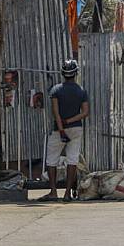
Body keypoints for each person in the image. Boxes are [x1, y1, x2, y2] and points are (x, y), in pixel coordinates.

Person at [38, 59, 89, 202]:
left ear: (63, 73)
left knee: (52, 160)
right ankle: (67, 194)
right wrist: (71, 121)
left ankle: (53, 192)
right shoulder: (81, 90)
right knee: (72, 159)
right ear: (76, 73)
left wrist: (61, 129)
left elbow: (56, 113)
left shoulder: (56, 90)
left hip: (58, 130)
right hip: (76, 128)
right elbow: (85, 112)